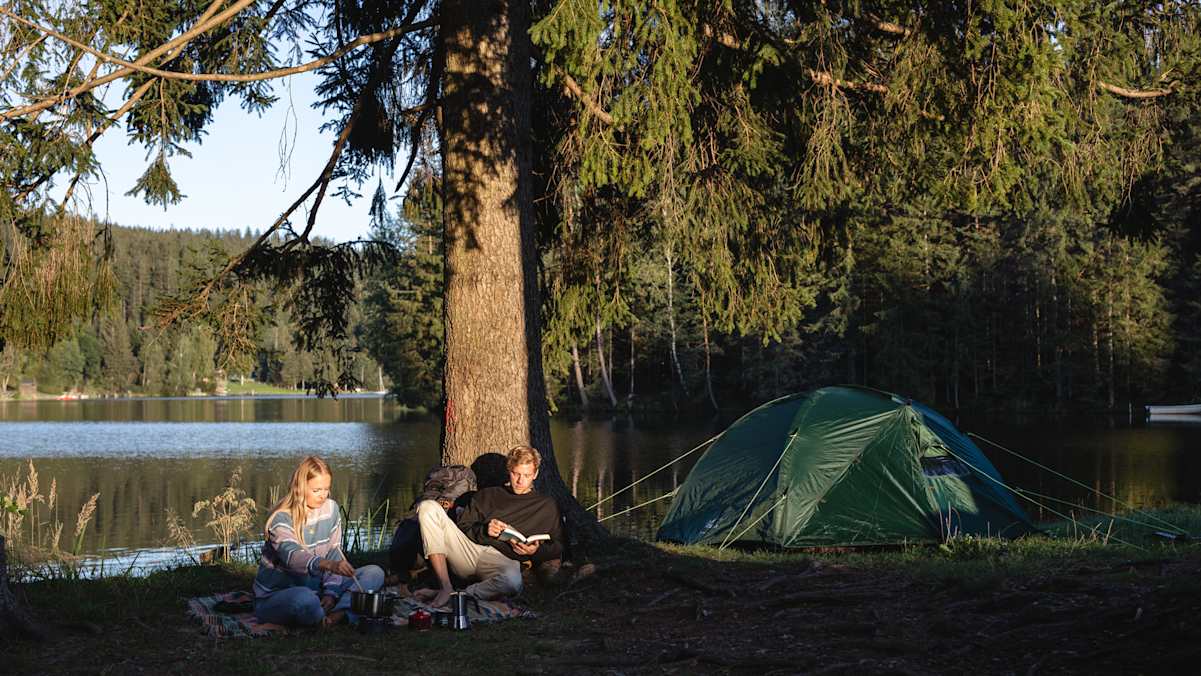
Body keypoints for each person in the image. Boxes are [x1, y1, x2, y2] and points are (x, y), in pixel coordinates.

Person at [253, 455, 385, 627]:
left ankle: (335, 614)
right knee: (305, 599)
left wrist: (330, 593)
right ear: (300, 488)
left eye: (326, 489)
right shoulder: (281, 518)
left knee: (374, 573)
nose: (322, 495)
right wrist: (328, 564)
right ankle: (337, 615)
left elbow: (334, 552)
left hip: (318, 591)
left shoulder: (331, 510)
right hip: (278, 595)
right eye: (316, 490)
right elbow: (292, 557)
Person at [457, 445, 565, 581]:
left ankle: (463, 596)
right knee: (429, 508)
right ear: (509, 470)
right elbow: (462, 528)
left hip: (507, 564)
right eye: (516, 474)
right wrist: (484, 530)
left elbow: (560, 545)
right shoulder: (487, 496)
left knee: (510, 582)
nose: (520, 481)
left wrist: (536, 551)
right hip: (473, 553)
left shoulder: (546, 506)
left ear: (535, 474)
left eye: (527, 475)